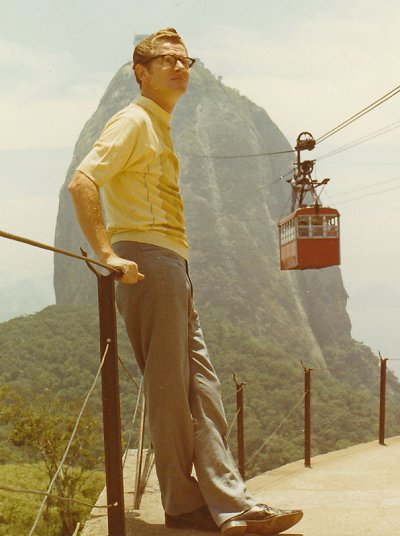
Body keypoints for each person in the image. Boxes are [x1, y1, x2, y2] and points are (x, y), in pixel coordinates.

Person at [68, 27, 303, 535]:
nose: (180, 67)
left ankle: (221, 502)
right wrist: (107, 253)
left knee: (201, 389)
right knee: (174, 390)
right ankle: (198, 505)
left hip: (173, 264)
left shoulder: (157, 123)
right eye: (167, 60)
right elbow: (83, 181)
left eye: (185, 60)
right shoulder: (133, 120)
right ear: (141, 71)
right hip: (149, 260)